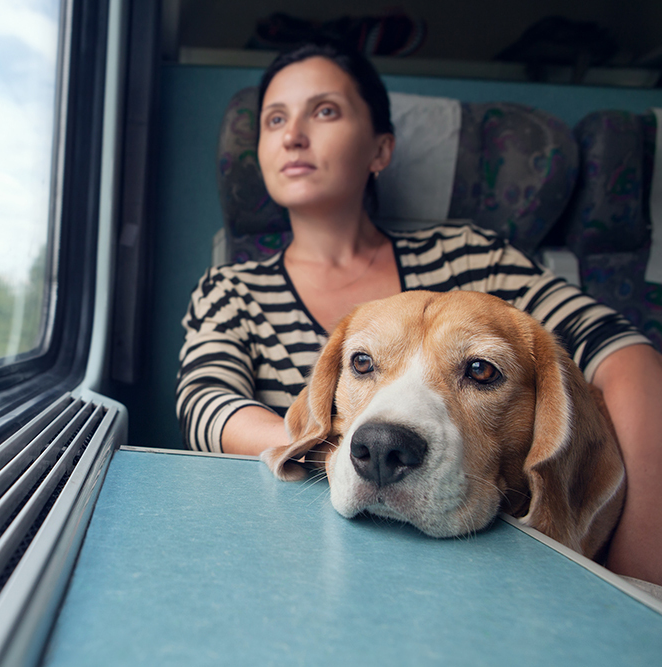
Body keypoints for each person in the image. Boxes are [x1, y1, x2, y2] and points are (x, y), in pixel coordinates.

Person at [176, 42, 662, 587]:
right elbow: (206, 404)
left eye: (325, 110)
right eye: (274, 119)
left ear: (380, 149)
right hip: (311, 557)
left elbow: (621, 353)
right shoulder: (230, 288)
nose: (293, 135)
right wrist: (339, 451)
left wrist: (639, 577)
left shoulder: (472, 254)